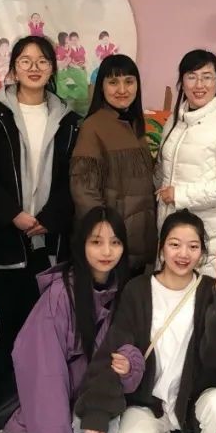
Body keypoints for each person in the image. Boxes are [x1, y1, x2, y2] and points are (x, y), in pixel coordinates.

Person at [76, 209, 216, 433]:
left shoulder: (211, 289)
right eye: (174, 244)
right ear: (161, 248)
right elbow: (114, 350)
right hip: (148, 401)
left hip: (193, 398)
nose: (183, 254)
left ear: (202, 252)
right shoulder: (138, 289)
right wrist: (97, 410)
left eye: (193, 246)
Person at [0, 35, 80, 431]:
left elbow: (73, 179)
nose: (34, 67)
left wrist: (50, 217)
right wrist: (13, 215)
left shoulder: (69, 120)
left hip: (47, 245)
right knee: (0, 334)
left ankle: (34, 413)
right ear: (12, 68)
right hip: (0, 246)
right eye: (25, 60)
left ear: (52, 68)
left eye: (42, 60)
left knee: (41, 336)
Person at [1, 208, 144, 433]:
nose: (107, 251)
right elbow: (43, 375)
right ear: (81, 245)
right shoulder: (59, 296)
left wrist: (129, 367)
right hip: (41, 413)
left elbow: (134, 355)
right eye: (96, 241)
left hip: (88, 410)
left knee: (100, 424)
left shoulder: (127, 293)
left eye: (115, 242)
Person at [155, 49, 216, 277]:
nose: (199, 85)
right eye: (192, 76)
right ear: (182, 82)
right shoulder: (174, 121)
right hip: (169, 233)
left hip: (207, 239)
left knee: (202, 296)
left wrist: (180, 195)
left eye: (207, 77)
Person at [71, 54, 156, 273]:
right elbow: (84, 192)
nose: (122, 89)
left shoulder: (135, 124)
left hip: (140, 242)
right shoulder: (93, 127)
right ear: (102, 87)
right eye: (113, 82)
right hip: (112, 246)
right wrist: (104, 238)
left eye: (129, 81)